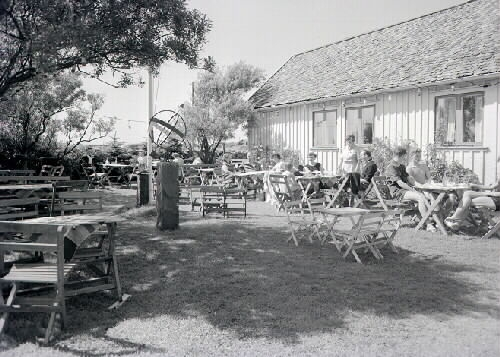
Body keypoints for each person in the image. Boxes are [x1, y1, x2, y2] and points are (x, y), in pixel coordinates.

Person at [385, 146, 437, 232]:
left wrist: (420, 186)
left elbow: (410, 179)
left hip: (405, 191)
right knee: (420, 197)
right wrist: (412, 189)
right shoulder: (391, 167)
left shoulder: (401, 166)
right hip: (398, 193)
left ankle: (430, 220)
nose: (405, 158)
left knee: (423, 195)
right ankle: (428, 223)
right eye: (405, 156)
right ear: (400, 155)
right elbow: (400, 183)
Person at [445, 161, 500, 230]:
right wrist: (474, 185)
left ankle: (455, 220)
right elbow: (491, 187)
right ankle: (456, 220)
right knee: (467, 194)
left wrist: (486, 193)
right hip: (494, 198)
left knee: (467, 201)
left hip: (497, 201)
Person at [338, 135, 361, 205]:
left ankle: (353, 201)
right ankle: (345, 201)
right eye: (347, 142)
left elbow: (359, 160)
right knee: (344, 184)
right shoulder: (344, 148)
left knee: (354, 185)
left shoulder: (356, 148)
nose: (349, 143)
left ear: (353, 141)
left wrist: (357, 168)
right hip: (345, 169)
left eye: (350, 142)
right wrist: (339, 167)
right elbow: (341, 159)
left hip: (353, 168)